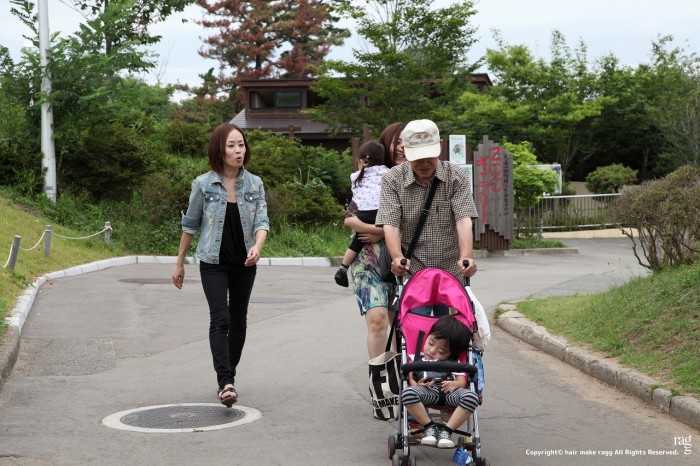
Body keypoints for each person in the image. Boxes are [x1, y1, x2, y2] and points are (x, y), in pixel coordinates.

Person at [171, 123, 269, 407]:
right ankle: (225, 381)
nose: (239, 151)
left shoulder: (255, 184)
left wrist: (258, 246)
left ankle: (229, 377)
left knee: (239, 321)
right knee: (220, 318)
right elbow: (190, 225)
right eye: (231, 145)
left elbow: (262, 221)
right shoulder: (203, 184)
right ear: (219, 150)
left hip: (244, 264)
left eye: (242, 144)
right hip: (213, 263)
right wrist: (179, 263)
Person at [376, 119, 478, 287]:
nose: (424, 163)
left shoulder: (457, 176)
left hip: (452, 272)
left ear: (440, 145)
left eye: (429, 156)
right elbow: (391, 224)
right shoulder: (392, 179)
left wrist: (466, 257)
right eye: (417, 157)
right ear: (405, 150)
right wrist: (397, 258)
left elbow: (463, 219)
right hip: (413, 271)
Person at [342, 122, 405, 359]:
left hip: (403, 261)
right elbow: (350, 218)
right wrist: (377, 230)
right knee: (378, 320)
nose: (402, 148)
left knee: (401, 323)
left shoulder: (415, 178)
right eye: (397, 142)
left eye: (406, 143)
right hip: (368, 260)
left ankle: (403, 376)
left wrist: (382, 232)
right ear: (386, 145)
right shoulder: (371, 176)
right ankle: (379, 377)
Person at [402, 315, 479, 448]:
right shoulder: (415, 358)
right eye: (430, 343)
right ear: (427, 337)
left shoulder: (455, 362)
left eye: (441, 351)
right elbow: (411, 380)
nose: (432, 351)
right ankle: (429, 426)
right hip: (426, 392)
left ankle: (447, 430)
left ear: (451, 354)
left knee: (472, 397)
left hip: (450, 393)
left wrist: (455, 384)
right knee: (407, 393)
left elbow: (462, 382)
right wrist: (418, 385)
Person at [334, 141, 388, 287]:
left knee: (358, 240)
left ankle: (342, 268)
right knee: (391, 234)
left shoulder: (356, 176)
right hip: (380, 213)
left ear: (361, 160)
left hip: (363, 214)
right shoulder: (388, 172)